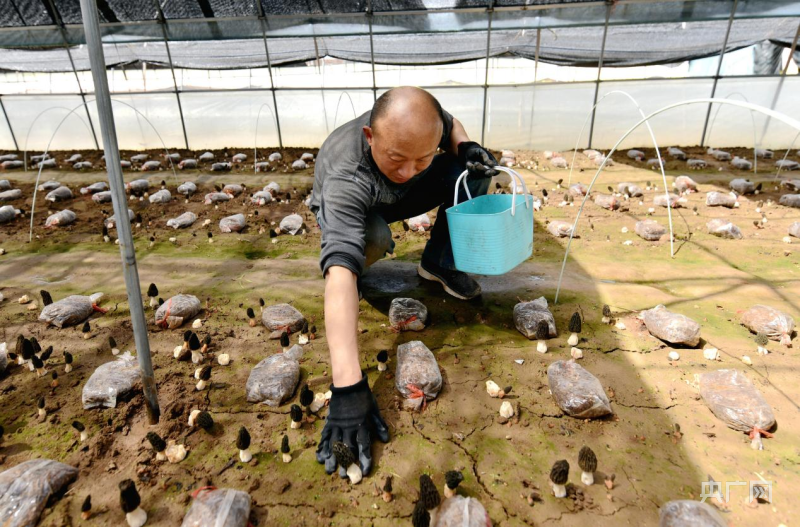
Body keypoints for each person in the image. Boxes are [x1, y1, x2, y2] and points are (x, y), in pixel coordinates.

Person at [308, 86, 498, 478]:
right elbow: (340, 265)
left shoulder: (422, 133)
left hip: (397, 195)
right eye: (397, 157)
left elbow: (450, 127)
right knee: (368, 242)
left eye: (422, 158)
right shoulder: (347, 172)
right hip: (361, 201)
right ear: (370, 137)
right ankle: (360, 271)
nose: (409, 168)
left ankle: (439, 263)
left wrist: (464, 146)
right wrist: (347, 387)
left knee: (472, 174)